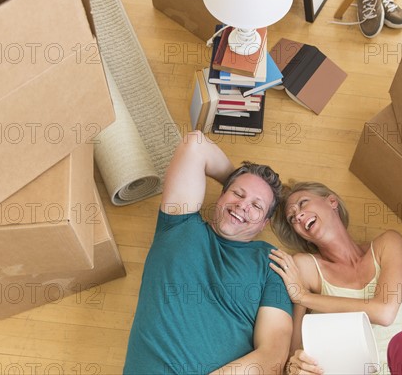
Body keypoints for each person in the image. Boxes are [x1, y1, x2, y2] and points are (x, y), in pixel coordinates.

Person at [123, 131, 293, 374]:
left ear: (264, 224)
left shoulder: (270, 263)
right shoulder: (179, 224)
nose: (243, 205)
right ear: (222, 194)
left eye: (256, 206)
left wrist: (242, 185)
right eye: (237, 193)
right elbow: (195, 144)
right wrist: (240, 177)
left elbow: (273, 355)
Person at [268, 181, 402, 375]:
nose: (297, 215)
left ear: (332, 201)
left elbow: (385, 313)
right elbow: (293, 352)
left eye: (303, 203)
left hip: (400, 368)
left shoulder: (388, 244)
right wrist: (294, 367)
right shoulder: (305, 267)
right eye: (292, 218)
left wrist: (304, 297)